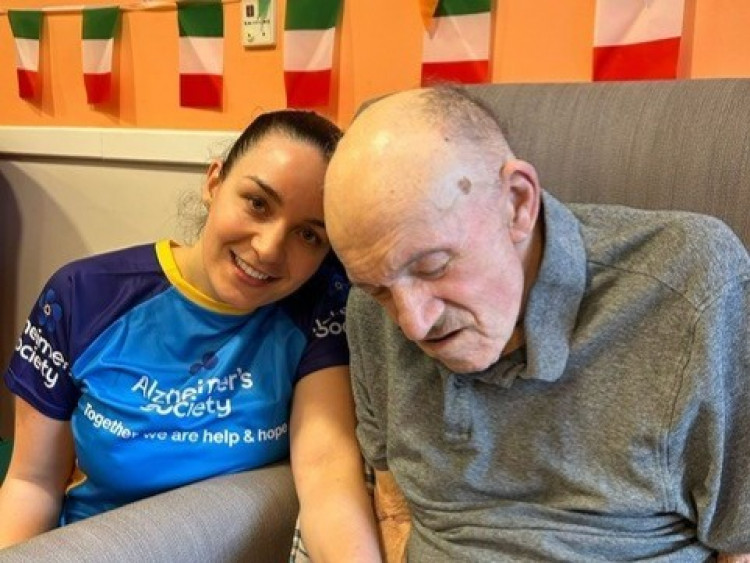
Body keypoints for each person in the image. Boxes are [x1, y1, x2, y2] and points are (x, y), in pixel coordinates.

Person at [323, 86, 750, 561]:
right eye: (378, 288)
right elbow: (394, 507)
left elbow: (741, 542)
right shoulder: (369, 313)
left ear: (518, 202)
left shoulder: (691, 287)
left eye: (432, 266)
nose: (413, 326)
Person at [0, 110, 380, 560]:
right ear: (215, 182)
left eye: (308, 235)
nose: (269, 248)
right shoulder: (83, 295)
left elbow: (327, 476)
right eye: (258, 203)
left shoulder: (318, 307)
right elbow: (32, 482)